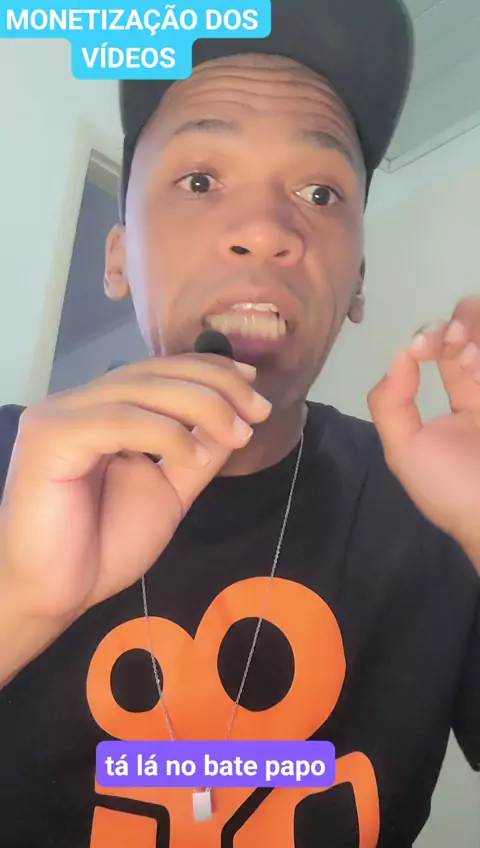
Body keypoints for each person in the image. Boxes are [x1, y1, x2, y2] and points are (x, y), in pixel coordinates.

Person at [1, 0, 480, 845]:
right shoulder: (7, 463)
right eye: (199, 180)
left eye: (320, 192)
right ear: (119, 257)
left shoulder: (442, 517)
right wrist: (19, 602)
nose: (265, 232)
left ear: (358, 281)